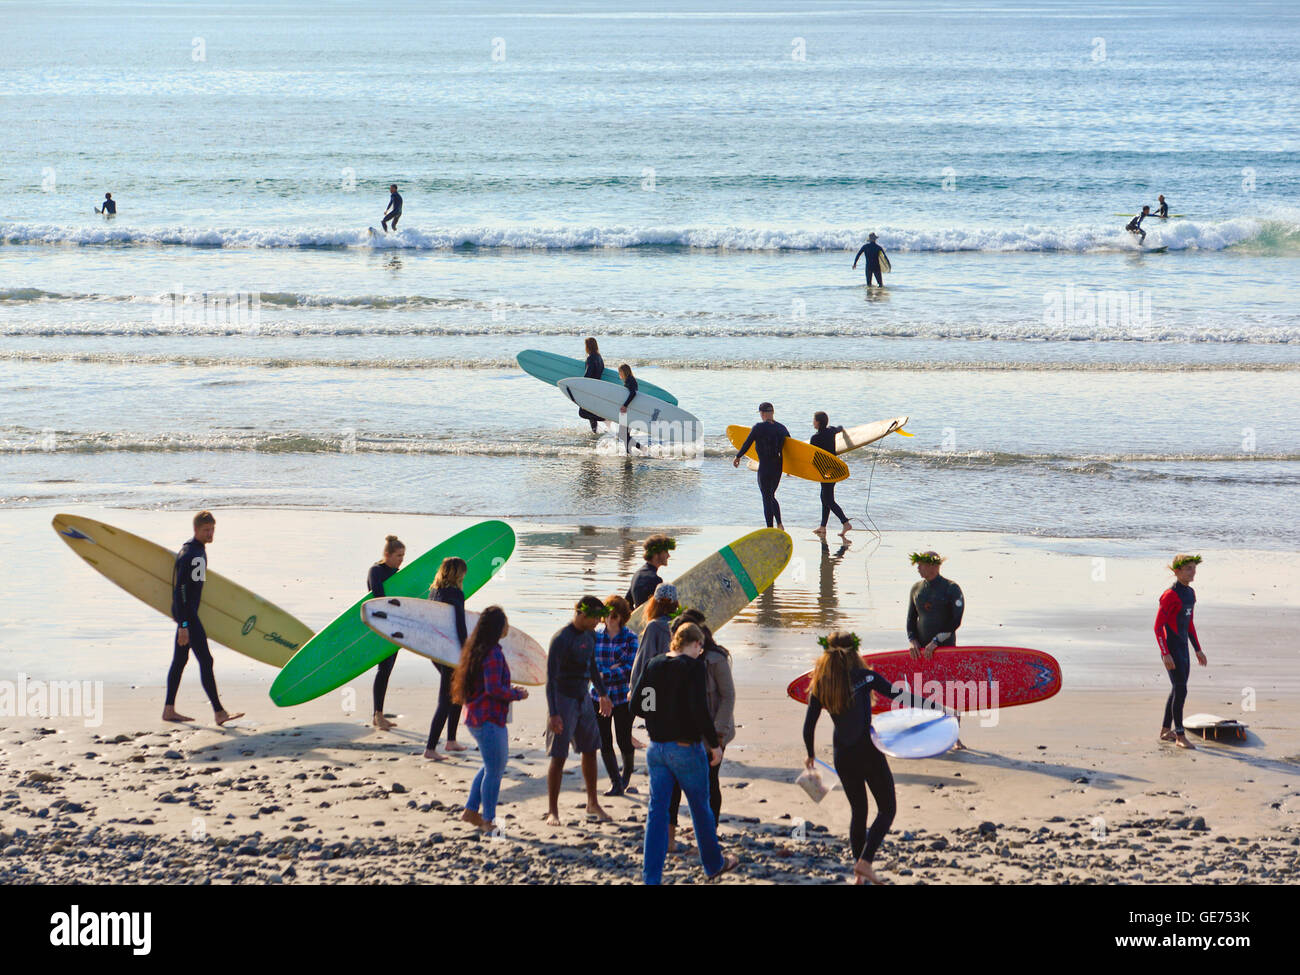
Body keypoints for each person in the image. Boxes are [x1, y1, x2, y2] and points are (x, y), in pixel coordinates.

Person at [803, 631, 932, 884]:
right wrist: (933, 708)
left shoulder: (821, 683)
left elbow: (808, 726)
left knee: (858, 811)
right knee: (887, 808)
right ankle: (865, 862)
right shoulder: (866, 676)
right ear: (855, 652)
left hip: (843, 755)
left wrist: (810, 754)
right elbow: (899, 695)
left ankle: (859, 874)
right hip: (868, 752)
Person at [631, 622, 739, 884]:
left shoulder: (655, 663)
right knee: (700, 808)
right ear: (694, 644)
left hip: (656, 748)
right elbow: (698, 709)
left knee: (657, 811)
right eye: (699, 646)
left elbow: (638, 704)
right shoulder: (692, 667)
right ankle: (713, 864)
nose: (700, 651)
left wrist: (660, 711)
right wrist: (714, 744)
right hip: (685, 748)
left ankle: (651, 877)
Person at [163, 511, 243, 725]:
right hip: (188, 617)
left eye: (212, 529)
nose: (210, 533)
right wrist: (184, 625)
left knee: (180, 661)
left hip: (187, 616)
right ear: (196, 530)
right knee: (206, 661)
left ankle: (169, 710)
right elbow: (180, 590)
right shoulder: (192, 554)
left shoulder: (196, 550)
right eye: (206, 530)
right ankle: (219, 712)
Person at [454, 606, 528, 833]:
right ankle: (489, 820)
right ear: (498, 627)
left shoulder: (477, 649)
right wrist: (517, 694)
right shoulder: (493, 653)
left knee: (490, 766)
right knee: (495, 770)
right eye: (506, 623)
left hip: (476, 716)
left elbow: (491, 685)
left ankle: (470, 811)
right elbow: (494, 689)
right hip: (488, 718)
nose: (508, 627)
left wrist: (509, 689)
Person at [667, 610, 735, 850]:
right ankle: (670, 836)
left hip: (714, 731)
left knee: (709, 782)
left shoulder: (716, 659)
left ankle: (709, 834)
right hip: (682, 732)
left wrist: (716, 735)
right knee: (674, 783)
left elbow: (728, 698)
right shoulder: (673, 659)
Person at [544, 596, 615, 826]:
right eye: (595, 618)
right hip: (562, 698)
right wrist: (554, 713)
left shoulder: (591, 635)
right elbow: (551, 680)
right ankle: (552, 811)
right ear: (581, 614)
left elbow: (592, 666)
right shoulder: (561, 639)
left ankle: (592, 803)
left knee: (591, 749)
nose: (598, 622)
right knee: (559, 755)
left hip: (584, 697)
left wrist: (603, 694)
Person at [906, 549, 967, 748]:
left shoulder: (951, 588)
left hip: (945, 649)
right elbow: (910, 619)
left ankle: (954, 737)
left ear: (933, 566)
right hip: (921, 651)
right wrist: (912, 640)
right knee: (923, 692)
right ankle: (928, 735)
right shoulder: (916, 588)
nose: (917, 568)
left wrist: (936, 642)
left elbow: (955, 621)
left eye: (920, 565)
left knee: (950, 692)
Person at [1155, 554, 1207, 750]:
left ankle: (1165, 730)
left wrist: (1198, 649)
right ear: (1177, 571)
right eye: (1188, 569)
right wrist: (1165, 652)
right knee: (1181, 689)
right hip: (1171, 649)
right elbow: (1158, 627)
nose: (1193, 572)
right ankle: (1179, 736)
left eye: (1194, 568)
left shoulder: (1190, 593)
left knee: (1178, 688)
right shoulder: (1170, 595)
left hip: (1183, 648)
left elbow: (1189, 624)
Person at [593, 595, 639, 796]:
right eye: (607, 615)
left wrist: (608, 672)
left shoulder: (630, 637)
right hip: (598, 695)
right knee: (604, 740)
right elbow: (589, 664)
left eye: (614, 616)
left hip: (623, 696)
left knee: (623, 739)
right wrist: (606, 671)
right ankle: (615, 782)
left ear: (622, 617)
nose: (610, 619)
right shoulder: (595, 635)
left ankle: (626, 774)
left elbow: (631, 667)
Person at [425, 557, 469, 759]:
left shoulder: (434, 592)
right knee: (446, 699)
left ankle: (451, 740)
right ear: (458, 574)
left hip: (435, 651)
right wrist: (466, 651)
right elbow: (460, 626)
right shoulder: (456, 594)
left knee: (456, 694)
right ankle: (430, 749)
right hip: (450, 651)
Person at [368, 535, 406, 731]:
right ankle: (378, 715)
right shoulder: (376, 570)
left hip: (395, 626)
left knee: (387, 669)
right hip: (380, 626)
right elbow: (378, 597)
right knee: (383, 670)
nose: (401, 559)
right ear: (387, 554)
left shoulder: (399, 574)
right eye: (398, 555)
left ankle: (378, 715)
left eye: (403, 556)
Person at [732, 402, 789, 530]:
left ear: (762, 413)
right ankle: (779, 524)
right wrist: (790, 468)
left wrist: (738, 456)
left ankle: (770, 528)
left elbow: (747, 443)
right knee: (771, 495)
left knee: (766, 497)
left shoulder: (758, 427)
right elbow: (790, 449)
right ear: (772, 412)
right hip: (778, 467)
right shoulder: (782, 428)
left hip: (765, 466)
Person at [811, 411, 855, 537]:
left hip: (824, 472)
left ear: (818, 422)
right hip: (834, 469)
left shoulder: (815, 438)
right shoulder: (831, 431)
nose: (812, 422)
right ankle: (823, 527)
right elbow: (840, 428)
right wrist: (843, 431)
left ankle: (845, 523)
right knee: (824, 497)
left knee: (828, 499)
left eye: (814, 420)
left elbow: (812, 457)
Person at [628, 583, 678, 692]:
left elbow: (644, 660)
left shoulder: (654, 626)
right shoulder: (681, 626)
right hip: (675, 689)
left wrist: (633, 690)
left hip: (653, 691)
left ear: (653, 603)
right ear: (676, 604)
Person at [626, 534, 674, 608]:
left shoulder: (637, 574)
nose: (668, 555)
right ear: (655, 554)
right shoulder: (654, 579)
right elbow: (660, 609)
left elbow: (627, 603)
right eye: (666, 552)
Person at [579, 337, 605, 432]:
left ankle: (603, 418)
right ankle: (595, 431)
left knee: (582, 412)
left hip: (590, 388)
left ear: (588, 346)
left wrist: (579, 386)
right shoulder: (599, 357)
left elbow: (588, 374)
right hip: (597, 387)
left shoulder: (590, 358)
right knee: (590, 411)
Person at [616, 363, 643, 452]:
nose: (619, 374)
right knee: (624, 434)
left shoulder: (630, 380)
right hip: (627, 411)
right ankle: (629, 452)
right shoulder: (629, 380)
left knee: (623, 434)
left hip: (629, 411)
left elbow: (633, 393)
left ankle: (641, 448)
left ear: (624, 371)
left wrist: (625, 405)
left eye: (620, 371)